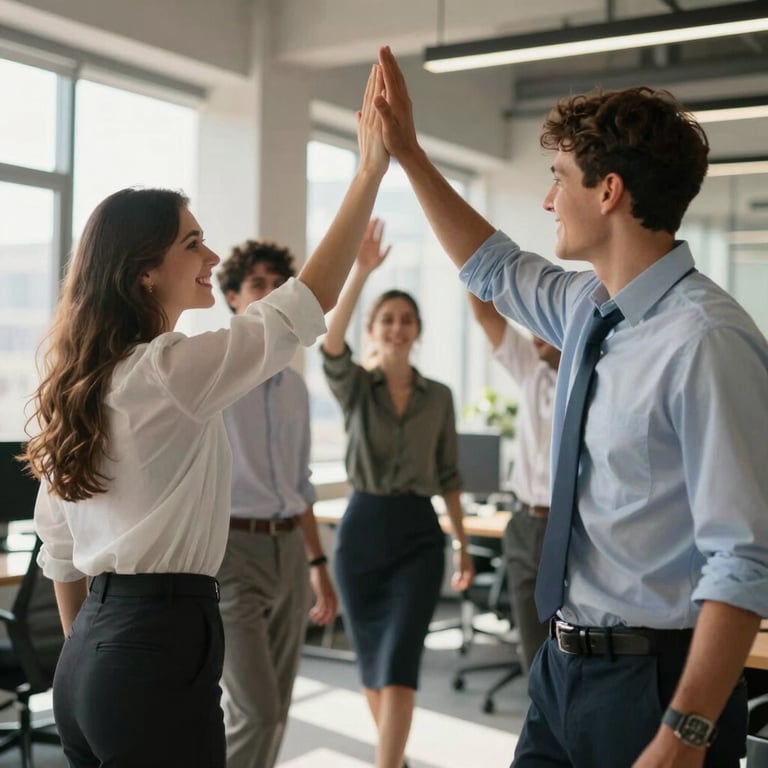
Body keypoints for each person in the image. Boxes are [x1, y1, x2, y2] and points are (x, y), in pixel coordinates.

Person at [373, 46, 768, 768]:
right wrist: (409, 154)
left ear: (609, 190)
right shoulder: (588, 308)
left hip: (657, 684)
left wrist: (686, 732)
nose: (548, 200)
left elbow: (743, 556)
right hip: (562, 668)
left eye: (558, 178)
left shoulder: (707, 341)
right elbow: (492, 265)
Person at [23, 63, 388, 768]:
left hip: (90, 660)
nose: (212, 257)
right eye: (193, 243)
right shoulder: (165, 372)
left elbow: (61, 552)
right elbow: (301, 306)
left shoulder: (76, 385)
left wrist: (96, 663)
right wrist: (370, 171)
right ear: (144, 271)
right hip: (156, 645)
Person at [321, 218, 474, 768]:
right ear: (372, 329)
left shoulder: (440, 397)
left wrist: (461, 543)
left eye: (406, 319)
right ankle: (397, 760)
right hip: (362, 534)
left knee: (400, 661)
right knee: (372, 663)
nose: (396, 327)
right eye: (386, 319)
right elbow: (330, 345)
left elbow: (449, 474)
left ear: (418, 330)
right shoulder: (357, 389)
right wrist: (361, 271)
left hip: (418, 536)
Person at [215, 239, 338, 768]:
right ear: (233, 298)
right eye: (256, 285)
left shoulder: (295, 388)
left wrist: (317, 564)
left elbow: (299, 484)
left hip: (288, 551)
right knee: (256, 711)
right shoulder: (214, 378)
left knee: (278, 709)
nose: (268, 295)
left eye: (276, 286)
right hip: (231, 552)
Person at [468, 294, 560, 671]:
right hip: (523, 522)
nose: (533, 331)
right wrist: (468, 264)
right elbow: (484, 314)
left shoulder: (597, 378)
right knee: (532, 652)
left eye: (544, 323)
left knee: (570, 647)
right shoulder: (531, 369)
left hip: (568, 527)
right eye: (531, 322)